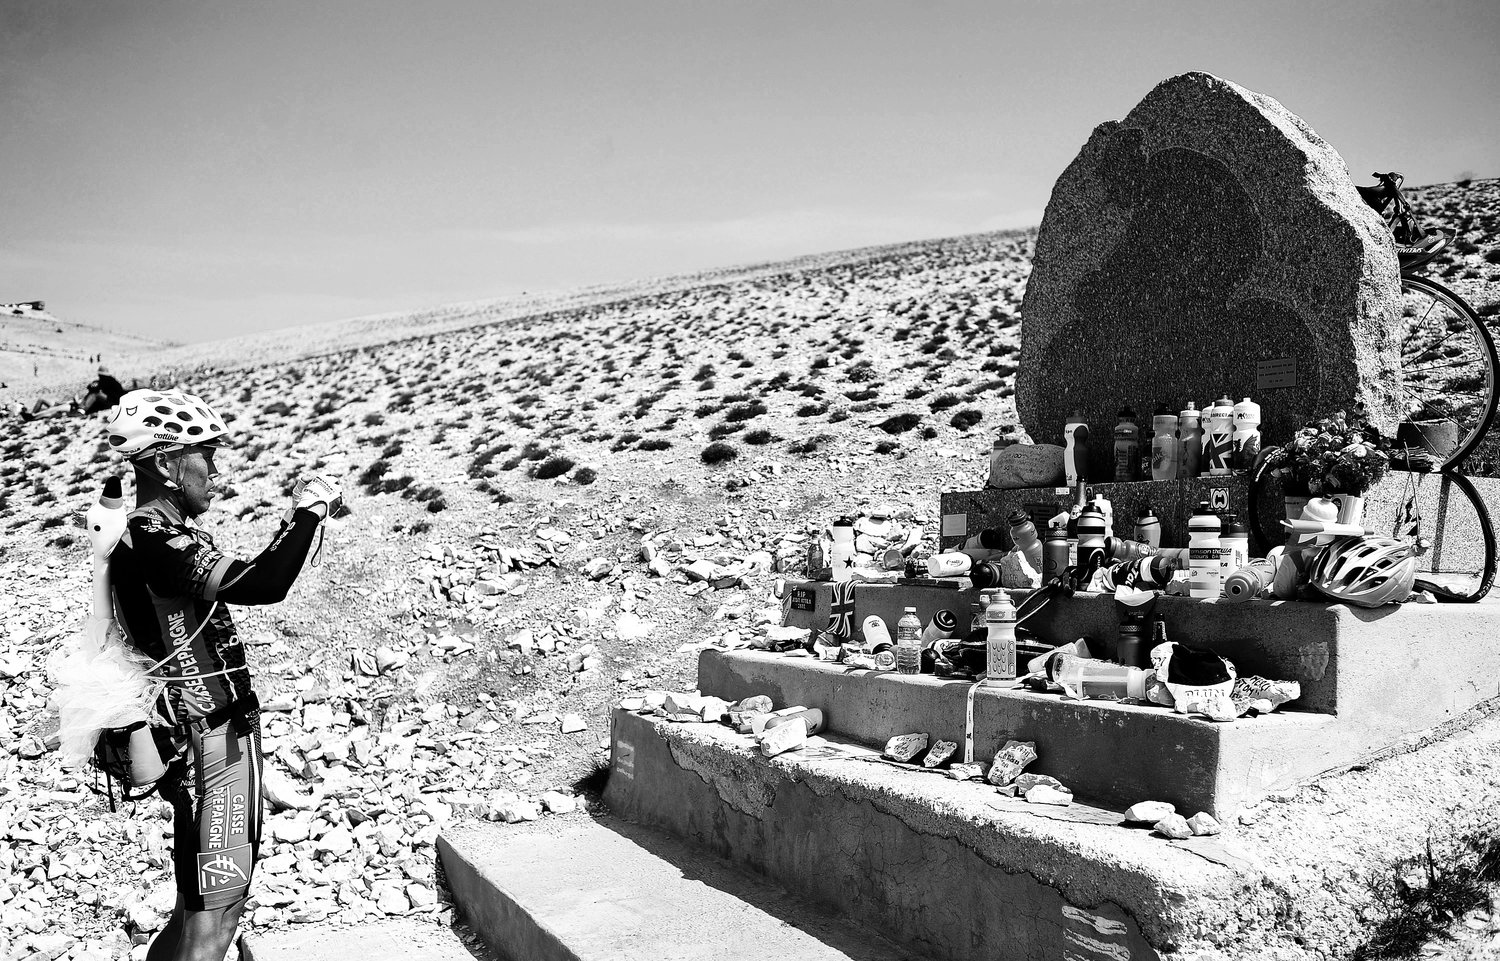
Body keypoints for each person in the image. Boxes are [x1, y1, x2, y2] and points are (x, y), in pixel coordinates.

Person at [103, 388, 343, 961]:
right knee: (217, 917)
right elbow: (265, 584)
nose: (215, 468)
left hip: (199, 737)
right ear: (165, 462)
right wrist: (308, 512)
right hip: (211, 742)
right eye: (205, 454)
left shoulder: (151, 531)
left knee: (194, 910)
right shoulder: (155, 537)